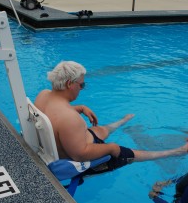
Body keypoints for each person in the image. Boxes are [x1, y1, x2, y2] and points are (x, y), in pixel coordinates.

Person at [34, 61, 188, 172]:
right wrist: (111, 148)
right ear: (69, 84)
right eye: (82, 85)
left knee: (98, 130)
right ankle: (177, 151)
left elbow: (54, 115)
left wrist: (79, 108)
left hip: (72, 139)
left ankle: (122, 121)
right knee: (128, 153)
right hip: (81, 157)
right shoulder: (69, 118)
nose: (82, 88)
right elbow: (80, 155)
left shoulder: (44, 95)